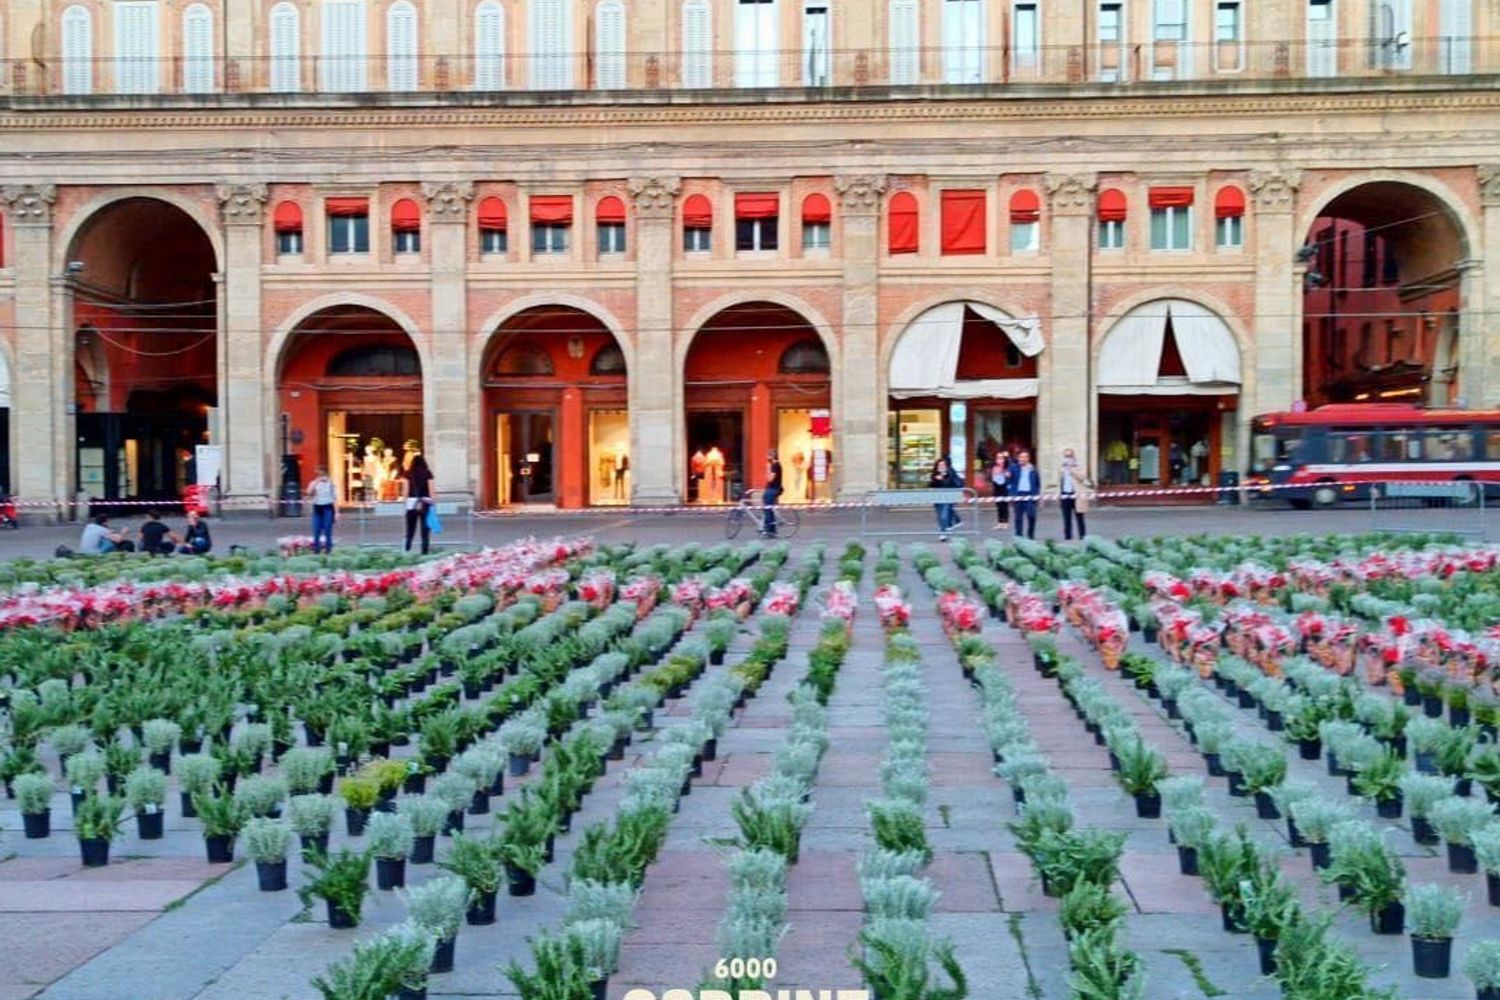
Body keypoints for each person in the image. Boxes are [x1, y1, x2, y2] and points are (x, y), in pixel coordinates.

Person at [402, 454, 435, 555]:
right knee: (425, 529)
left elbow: (406, 491)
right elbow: (431, 491)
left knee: (410, 527)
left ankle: (407, 547)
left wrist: (405, 502)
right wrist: (433, 502)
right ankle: (424, 551)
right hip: (425, 502)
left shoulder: (408, 474)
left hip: (412, 503)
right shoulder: (427, 473)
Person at [1057, 448, 1090, 541]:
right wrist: (1058, 493)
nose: (1068, 459)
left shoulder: (1078, 465)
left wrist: (1072, 471)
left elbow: (1082, 478)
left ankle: (1082, 536)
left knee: (1079, 517)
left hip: (1077, 495)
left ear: (1073, 457)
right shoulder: (1061, 467)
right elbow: (1059, 480)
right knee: (1066, 518)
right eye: (1066, 456)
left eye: (1069, 456)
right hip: (1065, 494)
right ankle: (1068, 537)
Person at [1007, 450, 1039, 539]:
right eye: (1021, 457)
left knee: (1031, 515)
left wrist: (1037, 494)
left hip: (1030, 494)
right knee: (1018, 517)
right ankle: (1019, 536)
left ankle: (1030, 534)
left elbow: (1037, 482)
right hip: (1018, 494)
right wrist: (1010, 492)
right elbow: (1008, 478)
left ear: (1028, 458)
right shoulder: (1014, 467)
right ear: (1018, 458)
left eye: (1025, 457)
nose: (1023, 459)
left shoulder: (1033, 469)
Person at [306, 465, 337, 554]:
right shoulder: (313, 483)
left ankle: (328, 550)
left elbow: (335, 498)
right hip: (317, 508)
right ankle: (316, 550)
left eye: (323, 475)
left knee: (328, 530)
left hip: (328, 508)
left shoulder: (331, 483)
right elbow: (309, 493)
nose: (321, 477)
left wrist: (337, 512)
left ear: (326, 474)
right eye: (319, 475)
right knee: (316, 530)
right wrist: (316, 482)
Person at [929, 457, 963, 540]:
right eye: (939, 465)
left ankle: (942, 533)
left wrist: (944, 478)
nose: (941, 466)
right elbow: (931, 485)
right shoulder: (934, 474)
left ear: (946, 466)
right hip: (937, 498)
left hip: (947, 497)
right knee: (940, 516)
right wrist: (936, 480)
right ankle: (951, 524)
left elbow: (950, 484)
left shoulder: (950, 474)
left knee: (944, 515)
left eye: (943, 465)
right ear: (936, 466)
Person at [761, 449, 783, 537]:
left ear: (772, 456)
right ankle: (772, 529)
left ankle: (769, 531)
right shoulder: (775, 465)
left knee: (768, 509)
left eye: (768, 455)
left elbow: (770, 479)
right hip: (771, 488)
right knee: (767, 507)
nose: (767, 457)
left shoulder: (775, 465)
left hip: (774, 489)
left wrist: (767, 468)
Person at [990, 453, 1011, 528]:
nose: (999, 460)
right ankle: (999, 522)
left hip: (1004, 488)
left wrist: (1003, 469)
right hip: (997, 488)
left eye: (1001, 458)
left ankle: (1006, 522)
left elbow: (1008, 475)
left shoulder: (1007, 467)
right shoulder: (994, 467)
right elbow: (993, 478)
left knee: (1004, 506)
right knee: (999, 506)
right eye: (998, 458)